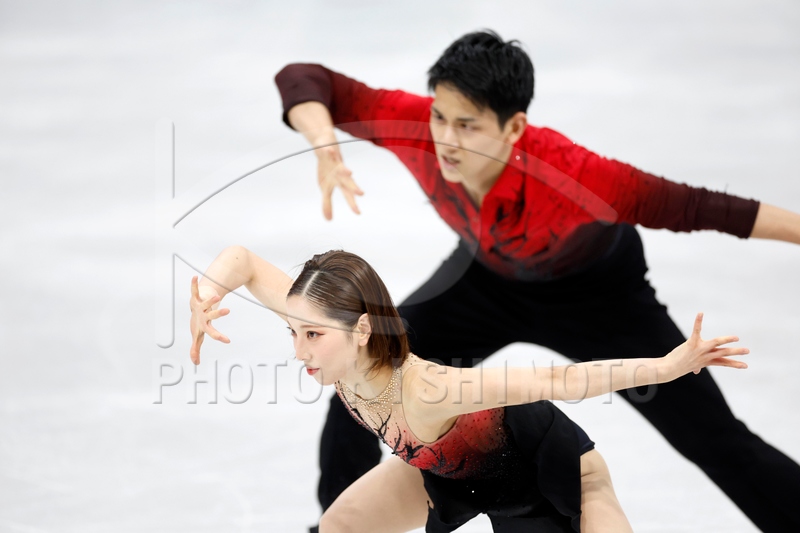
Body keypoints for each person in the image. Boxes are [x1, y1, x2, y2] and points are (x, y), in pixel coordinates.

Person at [273, 30, 800, 531]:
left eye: (468, 126)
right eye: (440, 117)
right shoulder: (416, 126)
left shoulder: (575, 175)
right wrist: (324, 143)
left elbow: (705, 207)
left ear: (514, 128)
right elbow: (304, 76)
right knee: (360, 362)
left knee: (714, 439)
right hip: (485, 280)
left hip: (597, 295)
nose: (447, 140)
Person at [188, 246, 748, 532]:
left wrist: (666, 367)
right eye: (292, 332)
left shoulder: (430, 390)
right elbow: (242, 260)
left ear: (361, 330)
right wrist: (207, 297)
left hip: (549, 471)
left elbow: (559, 379)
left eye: (311, 335)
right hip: (449, 467)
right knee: (341, 524)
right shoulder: (328, 328)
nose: (299, 351)